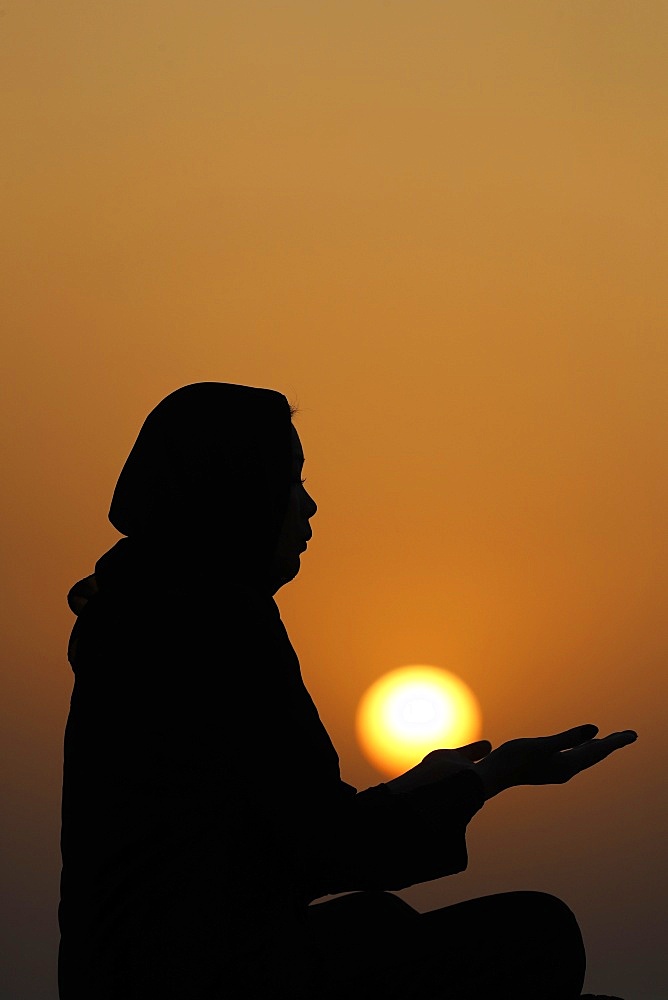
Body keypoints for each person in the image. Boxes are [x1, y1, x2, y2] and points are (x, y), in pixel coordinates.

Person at [59, 381, 636, 999]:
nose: (307, 507)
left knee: (373, 923)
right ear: (238, 487)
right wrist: (489, 777)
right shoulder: (217, 624)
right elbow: (328, 847)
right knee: (538, 930)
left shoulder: (134, 612)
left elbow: (274, 828)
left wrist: (423, 784)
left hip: (127, 972)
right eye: (292, 478)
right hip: (204, 980)